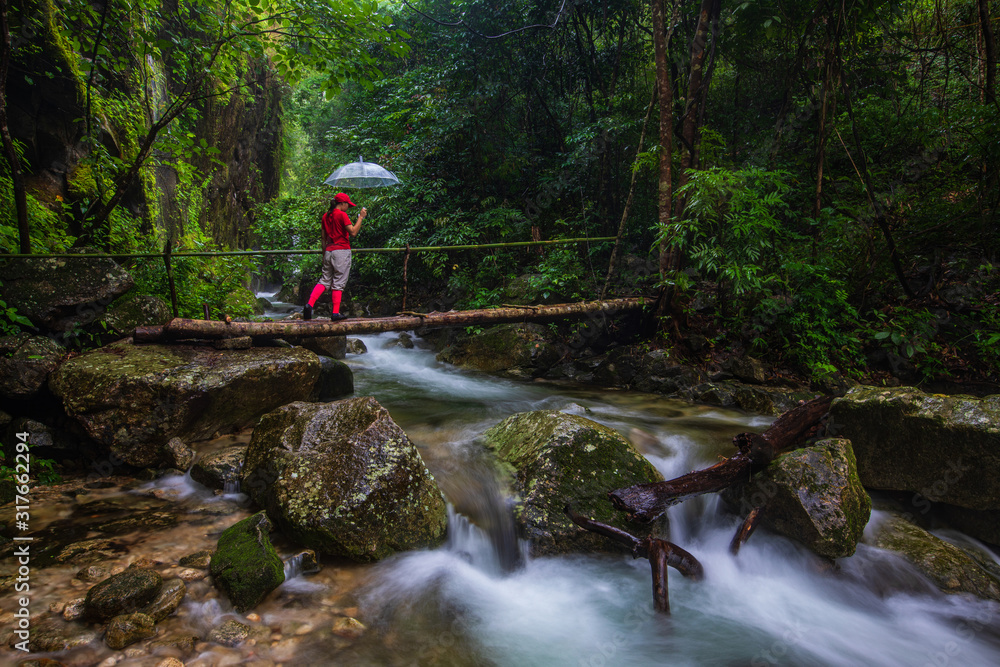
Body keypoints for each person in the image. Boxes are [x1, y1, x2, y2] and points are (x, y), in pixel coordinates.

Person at [303, 192, 366, 320]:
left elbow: (323, 238)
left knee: (325, 280)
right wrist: (361, 218)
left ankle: (309, 305)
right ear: (342, 204)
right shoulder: (342, 215)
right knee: (338, 282)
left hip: (329, 251)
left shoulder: (325, 216)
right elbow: (353, 232)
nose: (348, 207)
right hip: (341, 251)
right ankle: (335, 313)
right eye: (348, 205)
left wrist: (324, 254)